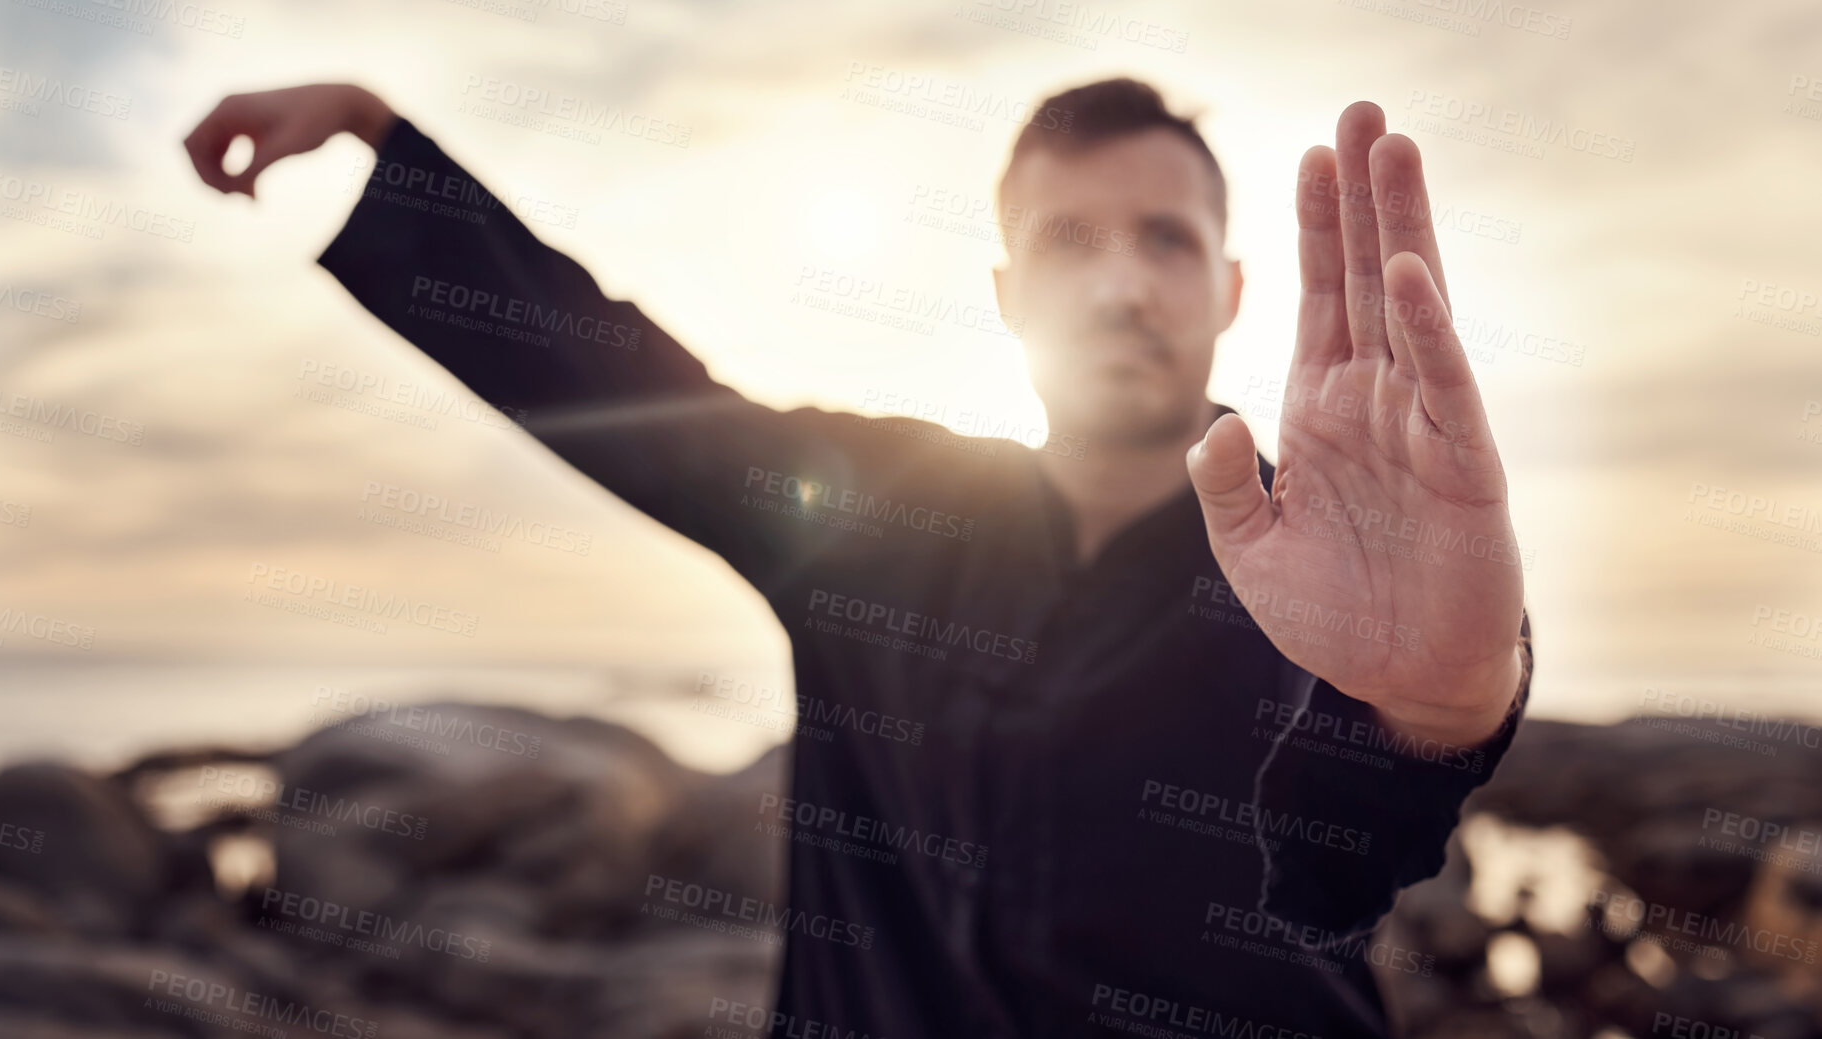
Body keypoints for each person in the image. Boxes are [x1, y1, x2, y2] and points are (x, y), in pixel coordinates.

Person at [185, 77, 1533, 1037]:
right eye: (1069, 239)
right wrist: (379, 138)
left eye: (1165, 239)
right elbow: (608, 377)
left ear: (1228, 287)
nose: (1120, 283)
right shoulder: (871, 512)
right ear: (1006, 296)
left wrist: (1436, 706)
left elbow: (1355, 853)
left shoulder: (1327, 569)